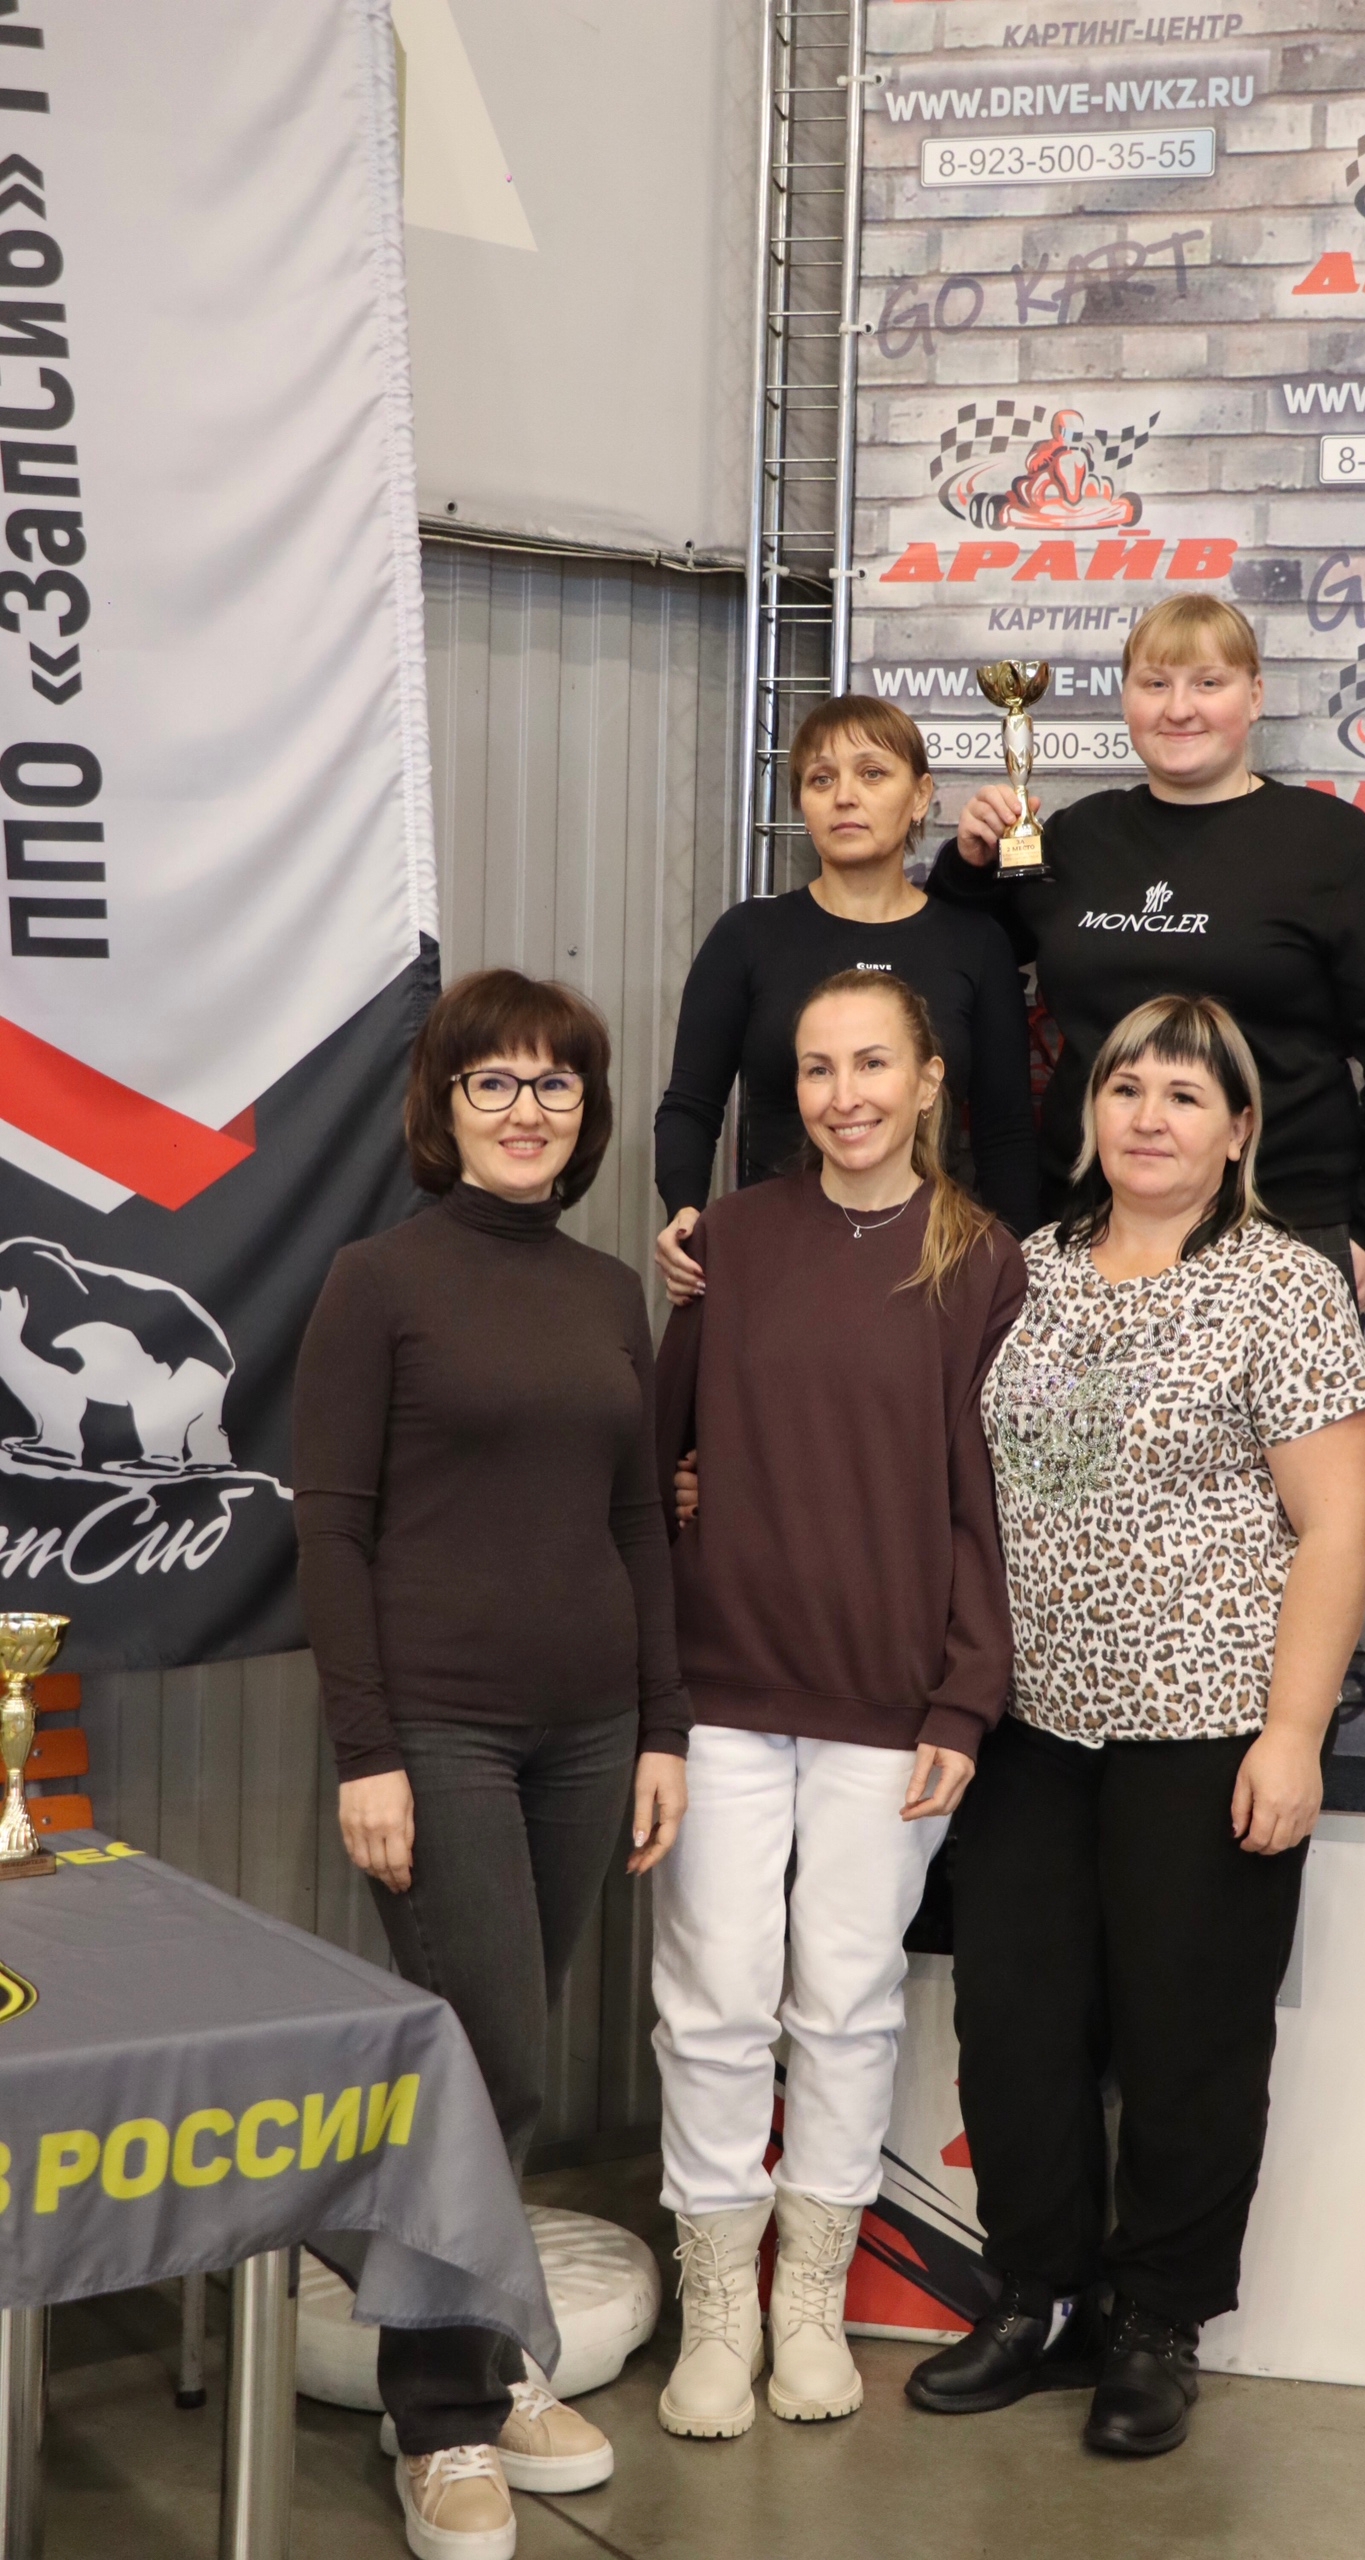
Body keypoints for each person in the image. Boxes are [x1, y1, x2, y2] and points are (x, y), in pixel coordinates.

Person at [907, 995, 1365, 2458]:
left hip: (1210, 1725)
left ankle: (1154, 2326)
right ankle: (1035, 2298)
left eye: (1185, 1094)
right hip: (1029, 1725)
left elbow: (1336, 1524)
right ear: (1089, 1112)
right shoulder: (1026, 1269)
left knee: (1188, 2038)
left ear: (1238, 1130)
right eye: (1125, 1087)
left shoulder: (1281, 1285)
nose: (1149, 1116)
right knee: (1014, 2025)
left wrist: (1290, 1734)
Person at [293, 968, 691, 2560]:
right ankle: (442, 2420)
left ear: (586, 1114)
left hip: (587, 1733)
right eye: (494, 1083)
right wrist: (368, 1753)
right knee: (489, 2063)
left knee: (494, 2066)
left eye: (555, 1085)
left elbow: (635, 1526)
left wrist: (660, 1727)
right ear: (443, 1109)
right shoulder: (375, 1283)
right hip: (438, 1730)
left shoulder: (606, 1293)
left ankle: (484, 2350)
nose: (527, 1110)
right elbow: (331, 1533)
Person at [649, 970, 1026, 2440]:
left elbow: (995, 1504)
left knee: (847, 2000)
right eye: (815, 1069)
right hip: (724, 1686)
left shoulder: (978, 1260)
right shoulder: (729, 1241)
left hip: (893, 1701)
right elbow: (654, 1457)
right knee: (713, 2001)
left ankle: (808, 2296)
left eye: (873, 1064)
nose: (843, 1094)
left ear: (928, 1081)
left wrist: (964, 1701)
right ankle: (717, 2303)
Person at [928, 591, 1365, 1310]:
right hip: (1090, 1225)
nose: (1179, 709)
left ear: (1255, 696)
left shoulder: (1337, 848)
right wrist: (968, 866)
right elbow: (958, 961)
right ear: (1126, 701)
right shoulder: (1075, 840)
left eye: (1208, 682)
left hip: (1284, 1230)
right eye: (1155, 683)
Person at [654, 696, 1037, 1306]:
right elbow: (690, 1105)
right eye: (821, 779)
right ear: (802, 803)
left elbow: (1006, 1131)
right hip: (776, 1263)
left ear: (921, 795)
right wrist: (684, 1209)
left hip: (935, 1268)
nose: (845, 797)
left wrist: (1015, 1272)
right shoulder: (747, 936)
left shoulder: (976, 943)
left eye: (872, 773)